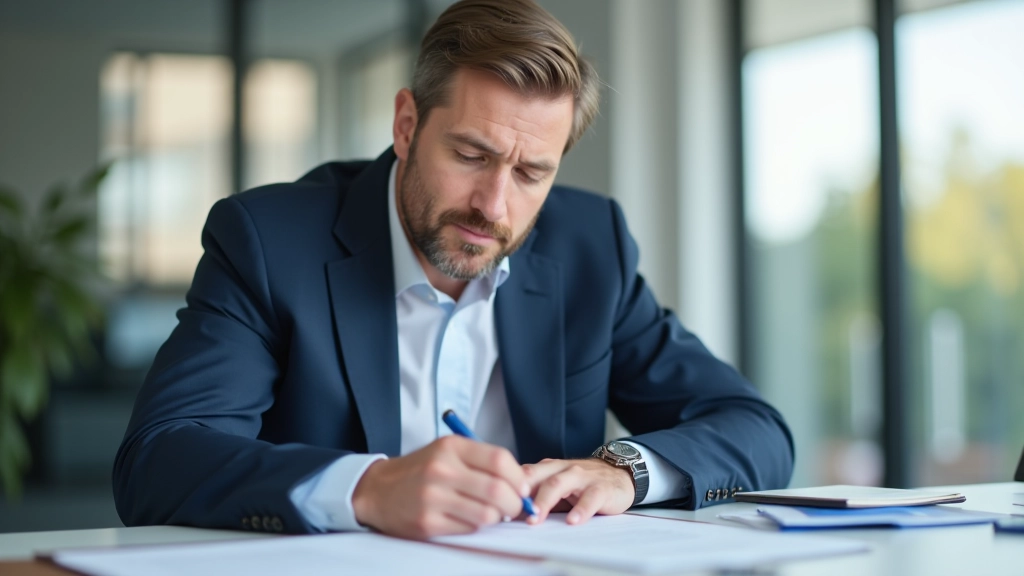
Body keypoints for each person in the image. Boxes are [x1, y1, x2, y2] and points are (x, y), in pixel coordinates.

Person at [113, 0, 793, 539]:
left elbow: (753, 428)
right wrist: (368, 488)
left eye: (532, 172)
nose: (494, 205)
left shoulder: (591, 248)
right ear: (406, 124)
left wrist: (626, 471)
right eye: (471, 154)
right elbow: (160, 458)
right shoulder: (269, 241)